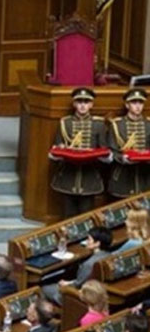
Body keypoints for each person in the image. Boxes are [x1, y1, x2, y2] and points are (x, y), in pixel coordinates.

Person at [49, 87, 107, 217]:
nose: (82, 105)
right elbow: (57, 147)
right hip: (68, 176)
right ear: (74, 104)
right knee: (68, 215)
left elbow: (104, 149)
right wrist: (61, 150)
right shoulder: (65, 123)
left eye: (86, 102)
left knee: (86, 216)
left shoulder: (98, 124)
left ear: (91, 105)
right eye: (79, 102)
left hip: (89, 176)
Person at [42, 227, 113, 305]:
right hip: (96, 291)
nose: (86, 242)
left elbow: (78, 285)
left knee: (44, 288)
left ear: (97, 243)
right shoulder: (110, 256)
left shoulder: (88, 264)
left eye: (89, 239)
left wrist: (67, 284)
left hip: (80, 295)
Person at [108, 88, 150, 199]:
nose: (138, 106)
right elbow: (111, 151)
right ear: (127, 105)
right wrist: (122, 158)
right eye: (134, 102)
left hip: (145, 176)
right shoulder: (117, 125)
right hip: (123, 177)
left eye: (140, 103)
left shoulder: (148, 124)